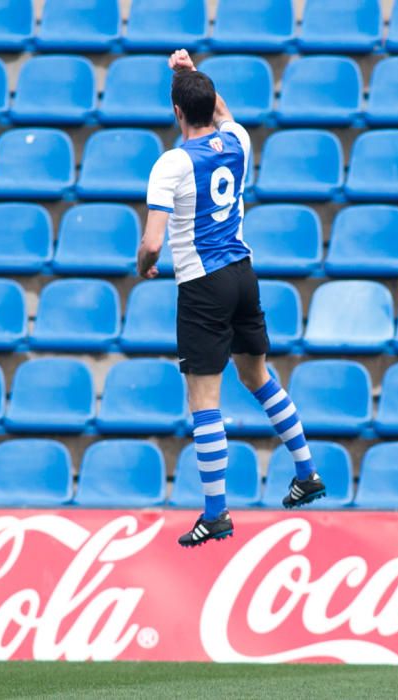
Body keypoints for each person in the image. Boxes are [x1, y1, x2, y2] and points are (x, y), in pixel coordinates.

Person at [137, 49, 326, 548]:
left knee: (205, 401)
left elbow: (153, 242)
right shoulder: (237, 140)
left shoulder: (170, 164)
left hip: (202, 285)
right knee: (257, 375)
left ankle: (216, 511)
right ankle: (306, 472)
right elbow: (220, 110)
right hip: (243, 272)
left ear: (176, 112)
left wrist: (144, 265)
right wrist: (192, 73)